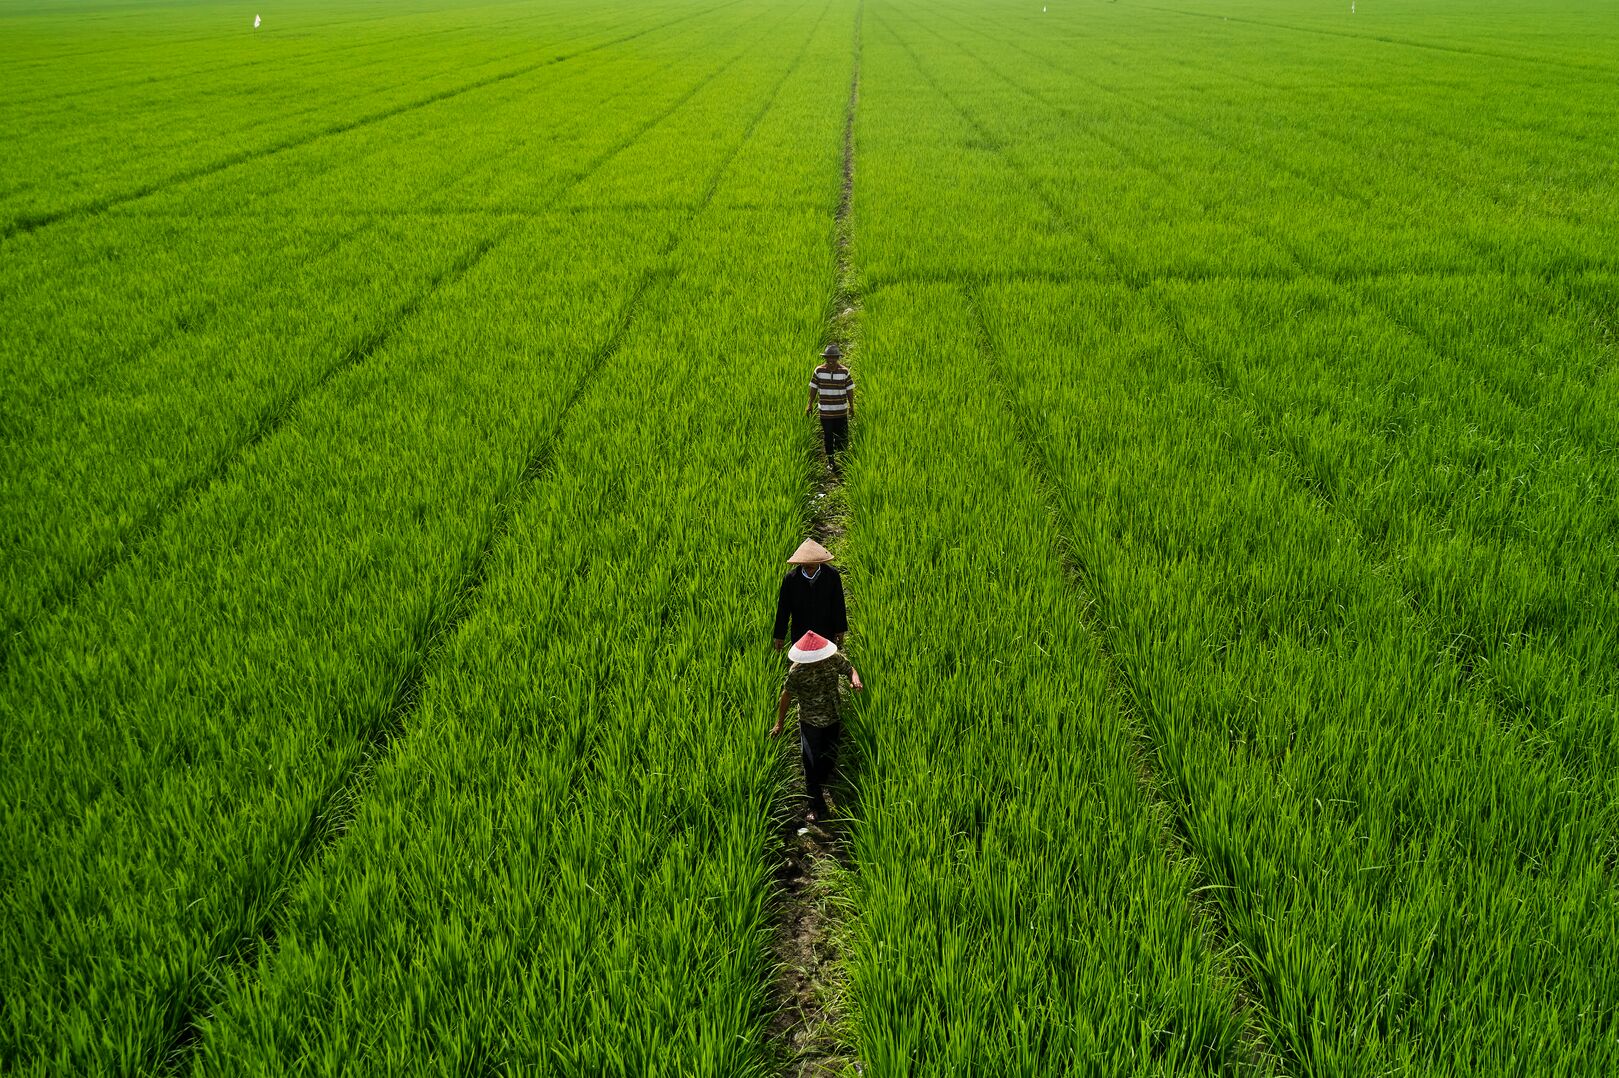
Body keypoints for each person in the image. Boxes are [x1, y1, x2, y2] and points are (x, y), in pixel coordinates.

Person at [770, 630, 863, 822]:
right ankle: (815, 805)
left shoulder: (833, 659)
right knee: (810, 763)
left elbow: (849, 669)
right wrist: (779, 723)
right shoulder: (797, 671)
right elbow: (786, 697)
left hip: (833, 716)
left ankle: (822, 784)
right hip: (809, 721)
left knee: (830, 757)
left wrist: (855, 679)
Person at [772, 538, 847, 651]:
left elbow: (838, 603)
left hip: (826, 630)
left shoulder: (831, 575)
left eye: (812, 562)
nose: (809, 566)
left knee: (825, 662)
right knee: (803, 663)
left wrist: (840, 629)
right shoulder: (791, 579)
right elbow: (783, 609)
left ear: (819, 561)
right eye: (805, 563)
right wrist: (779, 635)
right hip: (800, 633)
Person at [806, 343, 854, 464]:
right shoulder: (819, 371)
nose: (831, 360)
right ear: (825, 358)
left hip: (841, 411)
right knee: (828, 436)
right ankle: (831, 461)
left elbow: (850, 390)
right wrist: (809, 404)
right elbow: (813, 388)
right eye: (829, 357)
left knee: (842, 437)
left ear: (838, 358)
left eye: (834, 357)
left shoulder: (844, 372)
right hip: (825, 412)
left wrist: (851, 406)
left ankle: (843, 460)